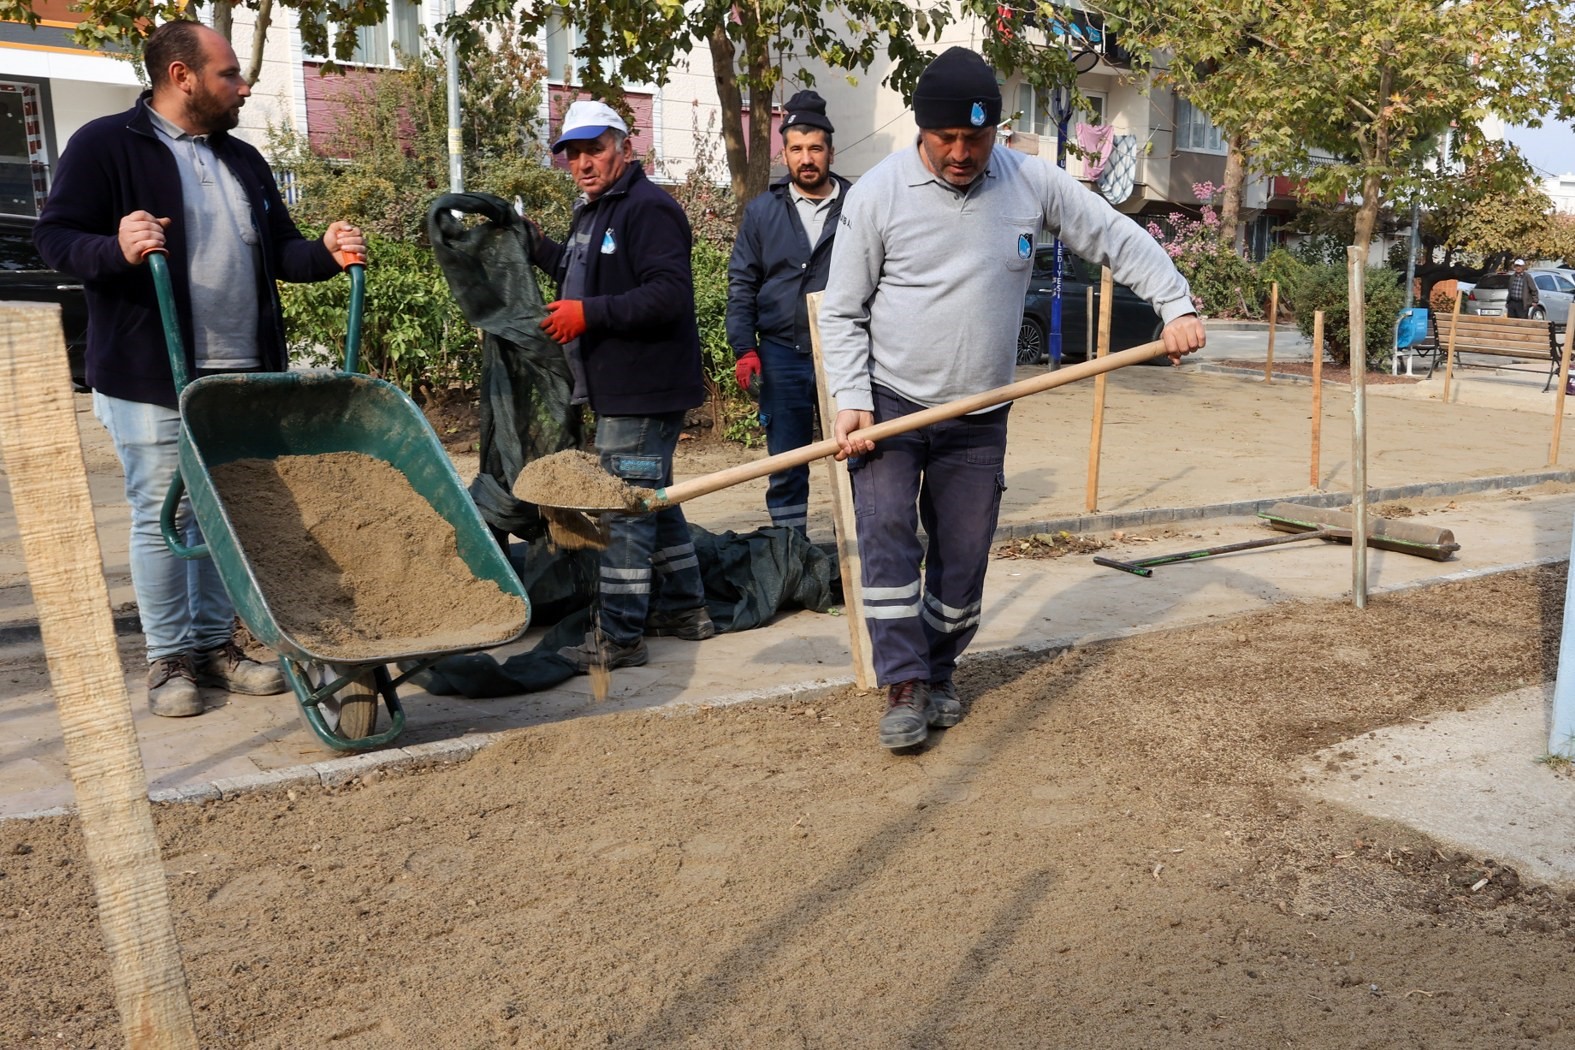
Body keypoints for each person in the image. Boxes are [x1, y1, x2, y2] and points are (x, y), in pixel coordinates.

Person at [818, 47, 1208, 752]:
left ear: (996, 131)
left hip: (980, 413)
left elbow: (1114, 235)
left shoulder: (1030, 181)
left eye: (978, 138)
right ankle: (902, 681)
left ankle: (939, 671)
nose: (963, 152)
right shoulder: (876, 195)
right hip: (892, 404)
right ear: (922, 130)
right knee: (885, 541)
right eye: (948, 139)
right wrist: (851, 398)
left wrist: (1174, 304)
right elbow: (841, 311)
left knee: (962, 561)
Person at [34, 19, 365, 718]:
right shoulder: (105, 146)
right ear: (181, 76)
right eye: (229, 75)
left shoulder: (242, 159)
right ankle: (169, 661)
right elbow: (55, 239)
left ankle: (216, 647)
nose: (242, 87)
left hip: (238, 374)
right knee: (164, 518)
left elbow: (282, 254)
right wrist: (115, 246)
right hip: (151, 373)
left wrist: (326, 252)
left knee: (227, 515)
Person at [529, 99, 713, 673]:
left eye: (595, 150)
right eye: (573, 154)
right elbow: (581, 273)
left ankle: (621, 637)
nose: (583, 163)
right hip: (621, 388)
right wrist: (536, 246)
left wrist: (589, 315)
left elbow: (668, 294)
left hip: (644, 388)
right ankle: (688, 610)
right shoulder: (593, 212)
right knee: (653, 499)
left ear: (624, 149)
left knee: (622, 512)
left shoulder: (647, 209)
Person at [726, 90, 850, 537]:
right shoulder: (763, 212)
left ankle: (856, 551)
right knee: (787, 462)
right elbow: (742, 282)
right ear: (785, 153)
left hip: (844, 355)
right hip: (781, 355)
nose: (806, 158)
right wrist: (745, 348)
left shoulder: (857, 206)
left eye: (815, 148)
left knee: (855, 453)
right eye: (797, 149)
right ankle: (789, 551)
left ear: (830, 151)